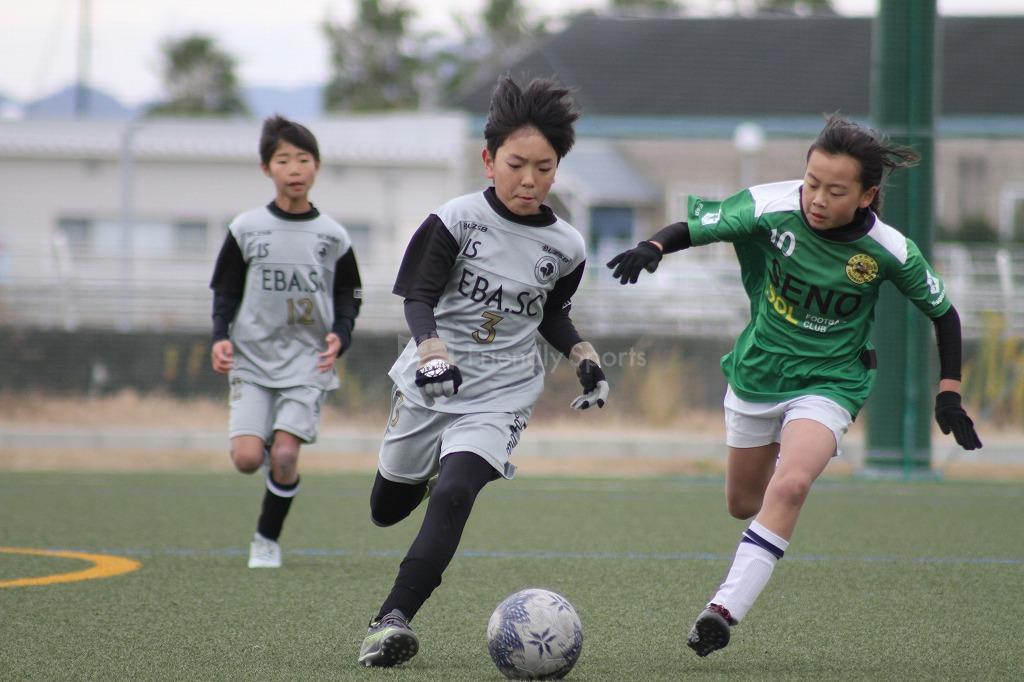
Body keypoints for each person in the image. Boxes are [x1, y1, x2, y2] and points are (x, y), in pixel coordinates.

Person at [607, 114, 982, 657]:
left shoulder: (887, 249)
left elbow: (944, 314)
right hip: (759, 372)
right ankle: (785, 457)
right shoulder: (770, 205)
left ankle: (722, 611)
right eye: (812, 183)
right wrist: (654, 247)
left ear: (867, 195)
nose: (817, 198)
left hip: (832, 381)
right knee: (742, 502)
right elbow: (700, 226)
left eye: (836, 190)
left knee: (790, 485)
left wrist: (948, 391)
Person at [357, 76, 609, 668]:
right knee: (387, 509)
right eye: (516, 164)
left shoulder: (568, 246)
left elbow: (553, 314)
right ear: (488, 159)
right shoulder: (455, 219)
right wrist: (431, 349)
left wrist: (584, 357)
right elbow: (417, 295)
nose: (529, 180)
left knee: (454, 492)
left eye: (544, 168)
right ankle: (424, 466)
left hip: (502, 394)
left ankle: (390, 618)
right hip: (428, 382)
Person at [209, 115, 362, 568]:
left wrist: (341, 335)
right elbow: (226, 289)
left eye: (303, 158)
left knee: (286, 455)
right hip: (252, 360)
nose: (294, 168)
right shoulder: (246, 228)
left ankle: (266, 539)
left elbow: (349, 293)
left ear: (316, 166)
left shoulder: (333, 235)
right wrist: (220, 336)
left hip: (307, 363)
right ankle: (269, 452)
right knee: (244, 458)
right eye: (283, 159)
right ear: (266, 169)